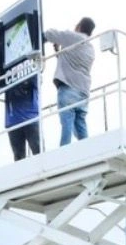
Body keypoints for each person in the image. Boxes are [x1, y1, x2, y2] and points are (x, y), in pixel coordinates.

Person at [43, 17, 96, 146]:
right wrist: (58, 51)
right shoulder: (90, 48)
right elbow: (71, 62)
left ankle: (63, 154)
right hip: (83, 92)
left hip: (68, 90)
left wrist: (39, 36)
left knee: (66, 124)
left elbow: (51, 34)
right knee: (80, 126)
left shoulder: (74, 37)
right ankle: (88, 151)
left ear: (78, 27)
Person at [6, 74, 41, 161]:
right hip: (15, 120)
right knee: (20, 157)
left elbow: (36, 79)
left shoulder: (32, 73)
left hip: (28, 119)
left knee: (38, 152)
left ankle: (43, 170)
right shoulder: (7, 75)